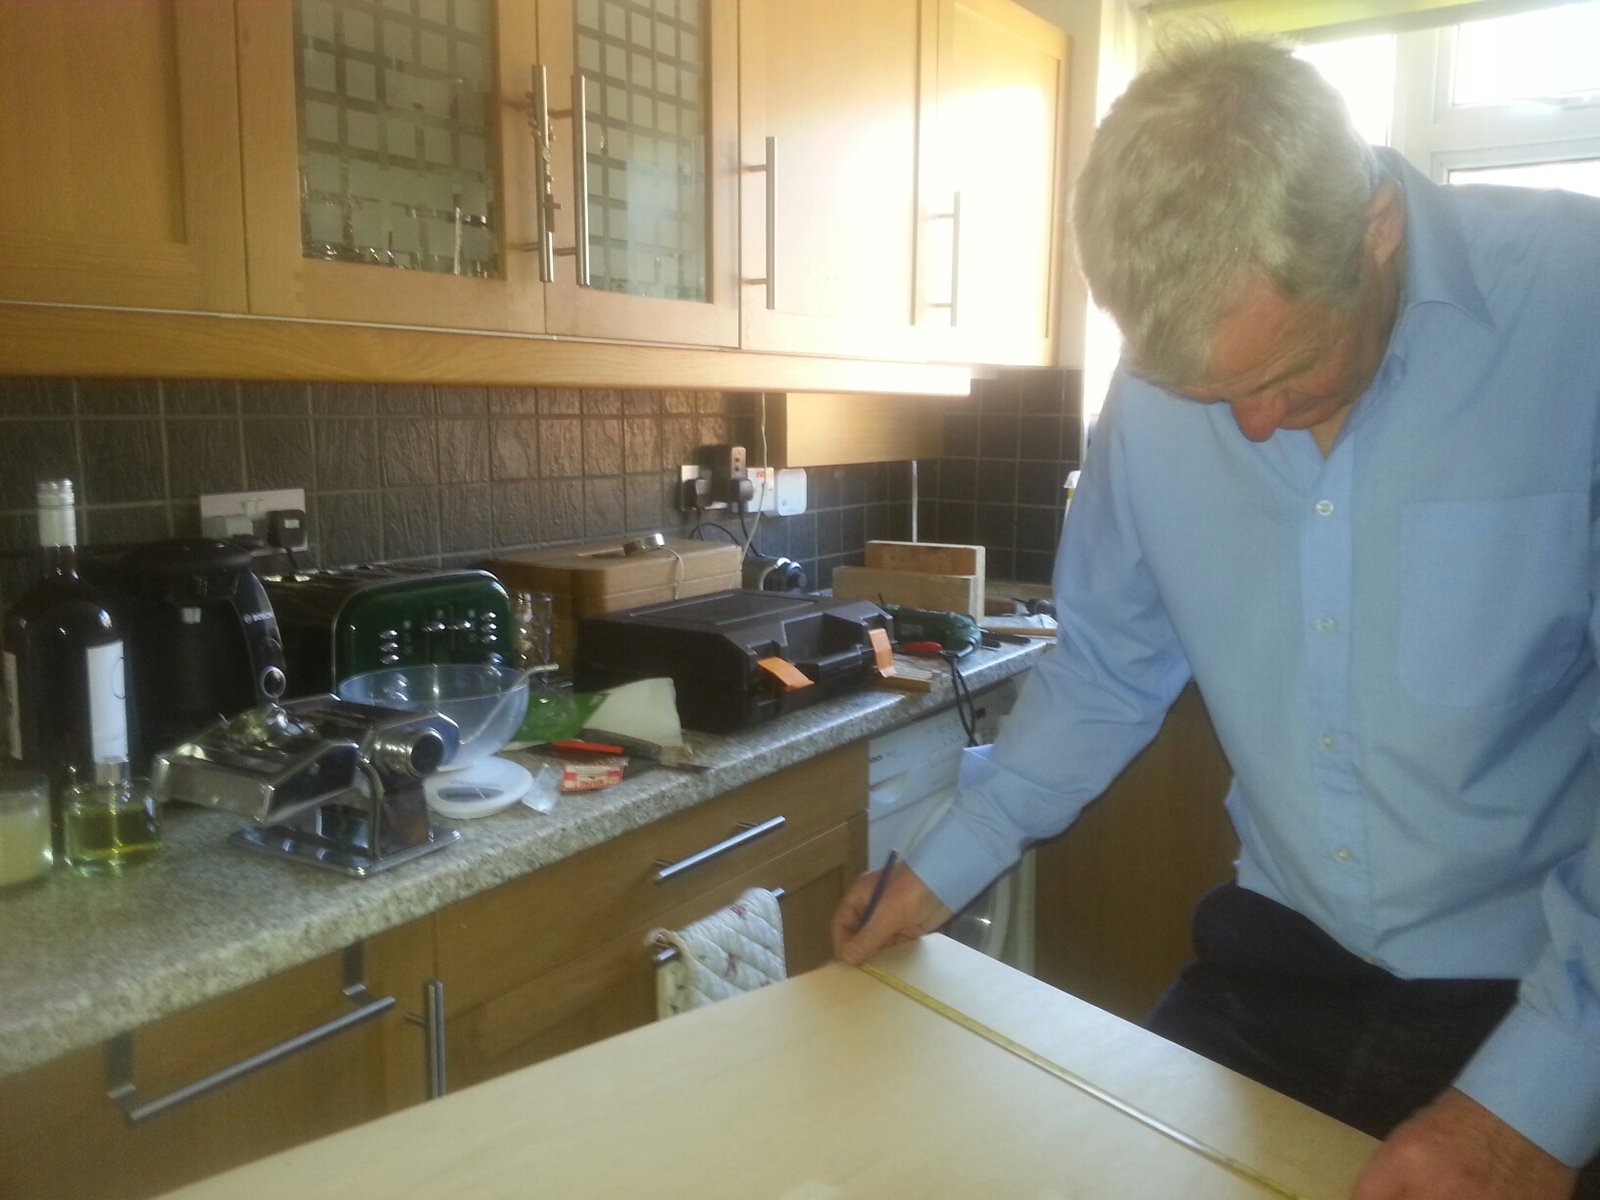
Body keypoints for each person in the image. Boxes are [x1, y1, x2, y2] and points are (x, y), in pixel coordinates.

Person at [831, 30, 1600, 1200]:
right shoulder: (1156, 387)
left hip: (1548, 977)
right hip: (1283, 955)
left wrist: (1532, 1104)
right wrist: (943, 865)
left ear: (1378, 230)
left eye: (1283, 372)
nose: (1247, 430)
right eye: (1206, 395)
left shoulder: (1576, 314)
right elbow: (1104, 668)